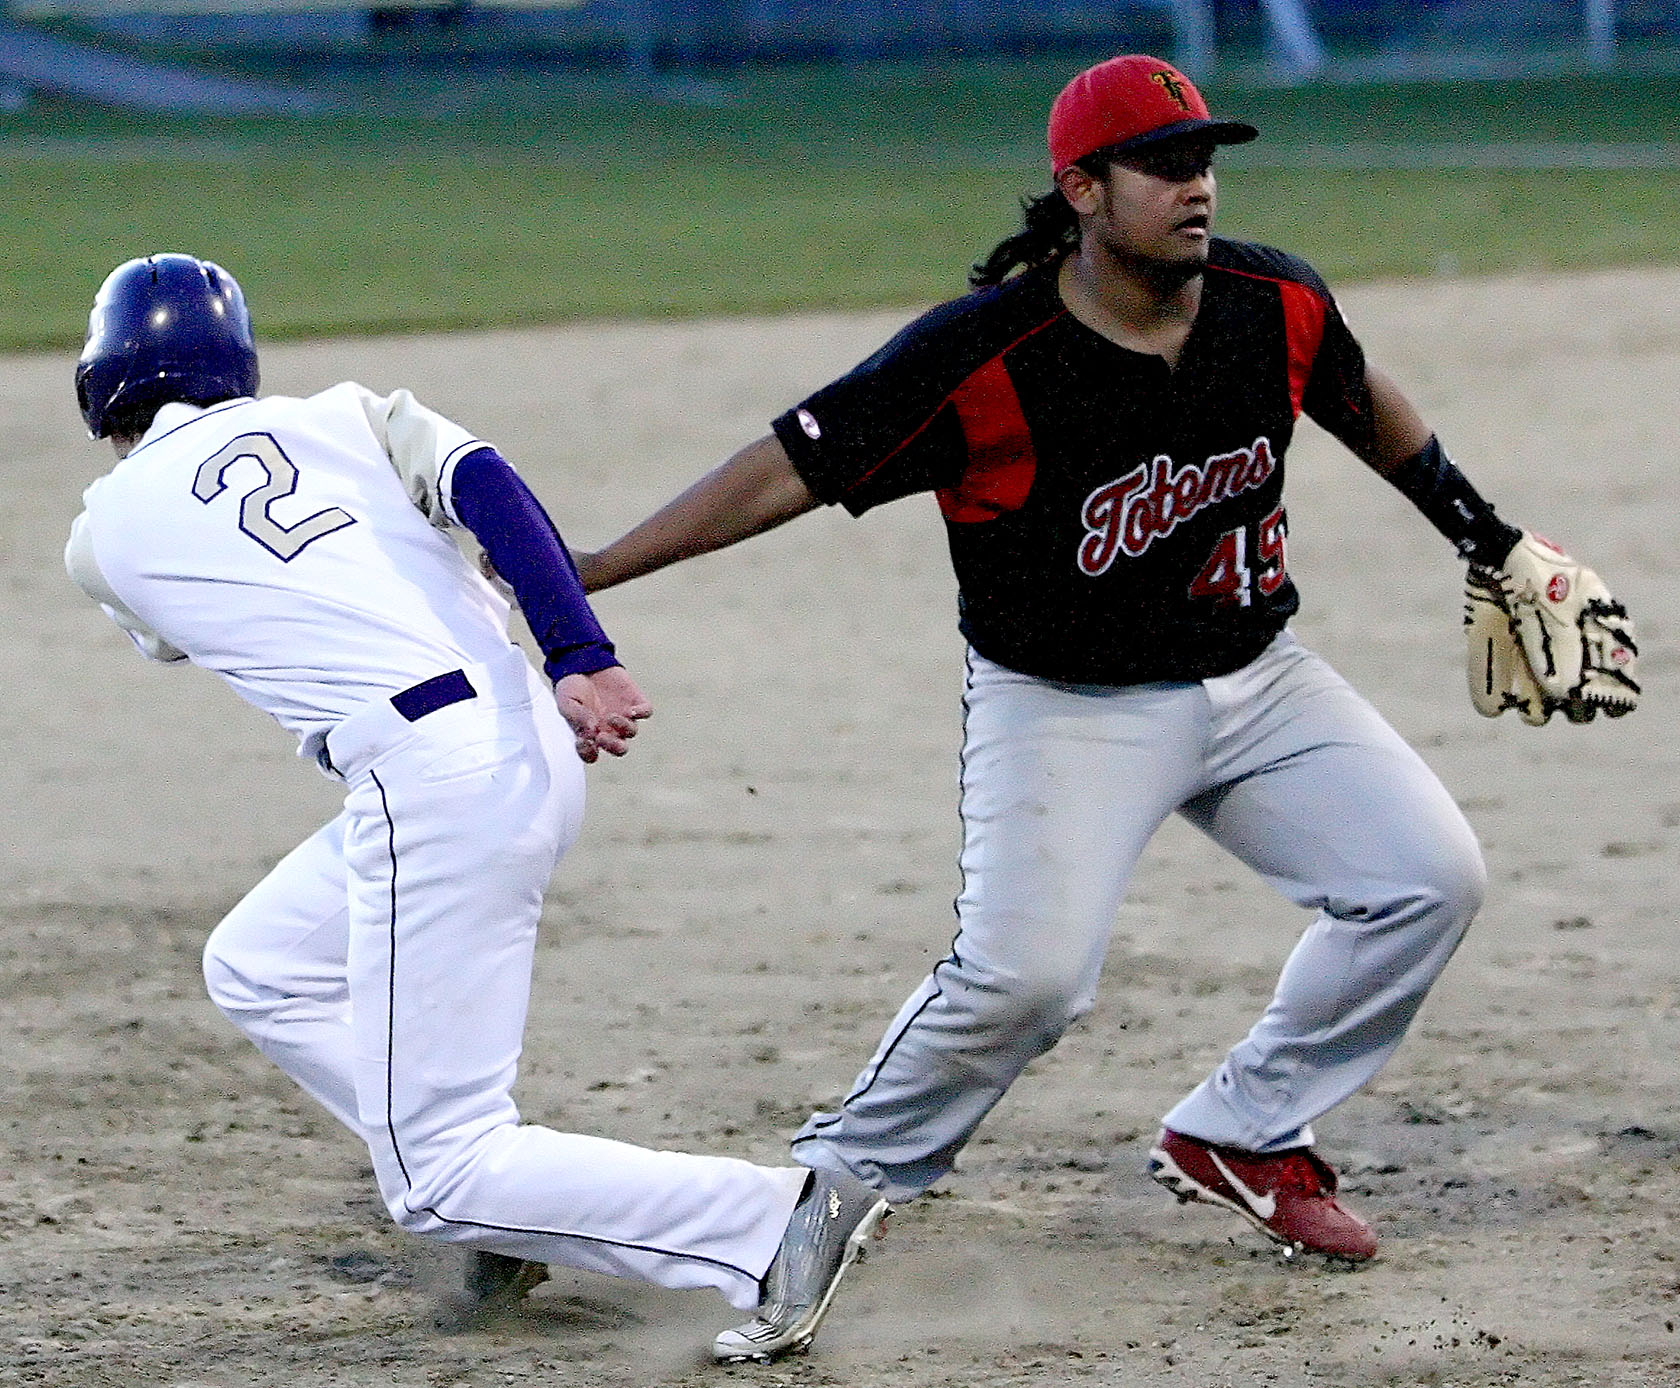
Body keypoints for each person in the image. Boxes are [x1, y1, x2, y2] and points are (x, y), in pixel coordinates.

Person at [573, 54, 1638, 1262]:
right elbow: (787, 467)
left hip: (1260, 679)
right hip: (1067, 708)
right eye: (1165, 163)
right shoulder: (983, 357)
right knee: (1026, 981)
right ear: (1082, 189)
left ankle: (1244, 1128)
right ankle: (818, 1195)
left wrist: (1483, 536)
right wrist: (601, 564)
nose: (1199, 186)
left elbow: (1361, 396)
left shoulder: (1269, 301)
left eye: (1207, 161)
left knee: (1429, 876)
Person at [64, 253, 887, 1363]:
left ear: (105, 389)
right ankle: (513, 1225)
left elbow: (187, 621)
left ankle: (772, 1220)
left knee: (440, 1175)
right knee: (258, 962)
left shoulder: (100, 535)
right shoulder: (344, 415)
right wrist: (580, 651)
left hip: (430, 782)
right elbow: (487, 484)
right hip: (526, 732)